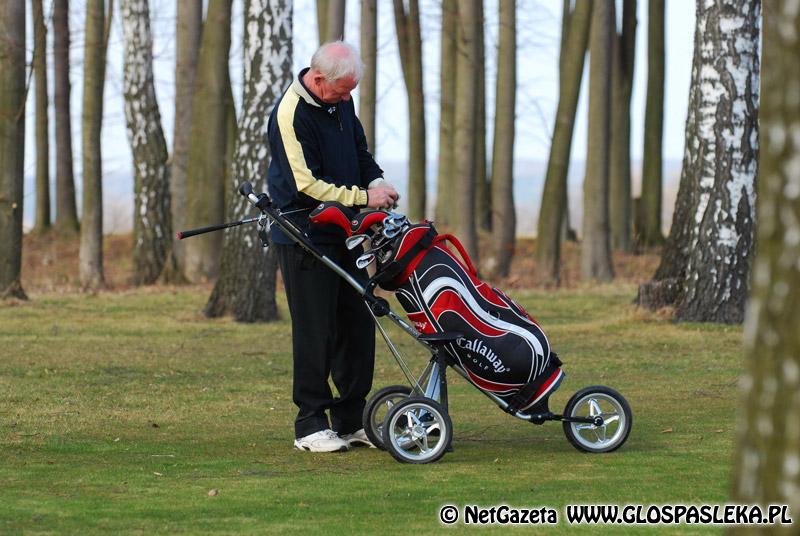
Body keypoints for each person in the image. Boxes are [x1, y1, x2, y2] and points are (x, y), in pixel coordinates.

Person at [266, 41, 399, 452]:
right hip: (304, 234)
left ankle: (350, 420)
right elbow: (305, 184)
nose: (347, 98)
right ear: (318, 78)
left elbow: (359, 151)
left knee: (357, 325)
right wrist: (364, 198)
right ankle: (309, 424)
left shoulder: (340, 100)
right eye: (342, 91)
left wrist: (375, 181)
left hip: (347, 232)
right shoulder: (289, 114)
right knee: (315, 329)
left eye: (351, 91)